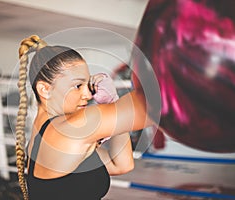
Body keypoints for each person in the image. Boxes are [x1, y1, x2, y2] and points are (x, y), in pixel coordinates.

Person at [15, 35, 153, 200]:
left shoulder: (47, 134)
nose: (88, 94)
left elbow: (121, 164)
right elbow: (157, 105)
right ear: (45, 89)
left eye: (88, 85)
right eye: (77, 86)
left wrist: (113, 101)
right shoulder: (68, 128)